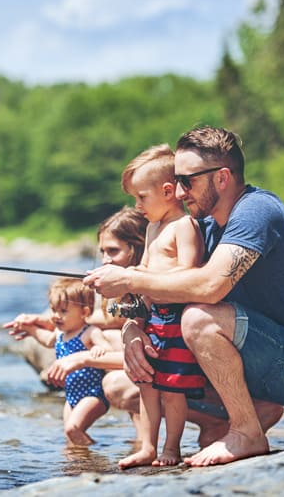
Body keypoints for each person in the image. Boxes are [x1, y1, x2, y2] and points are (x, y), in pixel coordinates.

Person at [84, 126, 284, 467]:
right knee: (123, 386)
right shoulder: (201, 224)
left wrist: (130, 277)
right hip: (254, 358)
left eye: (186, 181)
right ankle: (233, 420)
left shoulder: (257, 211)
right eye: (175, 180)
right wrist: (132, 329)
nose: (177, 191)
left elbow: (209, 286)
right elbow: (163, 288)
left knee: (199, 319)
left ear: (222, 177)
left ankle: (246, 432)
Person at [4, 207, 148, 437]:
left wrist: (84, 358)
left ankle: (152, 440)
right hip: (77, 389)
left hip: (155, 372)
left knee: (115, 340)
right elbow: (109, 317)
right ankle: (142, 440)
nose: (104, 261)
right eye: (102, 252)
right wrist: (40, 323)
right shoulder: (124, 295)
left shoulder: (153, 289)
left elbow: (106, 323)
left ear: (138, 248)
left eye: (113, 251)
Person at [115, 144, 206, 469]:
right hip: (154, 319)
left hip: (177, 323)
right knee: (147, 386)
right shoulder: (153, 227)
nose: (136, 205)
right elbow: (148, 275)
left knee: (171, 390)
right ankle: (148, 446)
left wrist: (143, 276)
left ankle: (172, 447)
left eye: (141, 197)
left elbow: (190, 274)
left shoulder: (184, 227)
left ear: (168, 191)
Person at [8, 277, 113, 445]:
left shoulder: (89, 332)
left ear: (84, 313)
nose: (56, 316)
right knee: (70, 437)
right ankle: (80, 462)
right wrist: (30, 328)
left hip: (93, 394)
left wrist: (97, 349)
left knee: (73, 429)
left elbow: (108, 350)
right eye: (53, 310)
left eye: (63, 311)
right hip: (71, 395)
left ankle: (97, 453)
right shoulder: (59, 333)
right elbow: (47, 340)